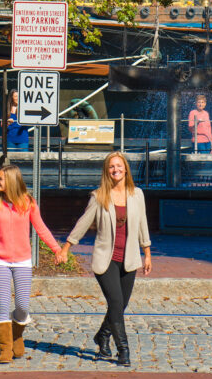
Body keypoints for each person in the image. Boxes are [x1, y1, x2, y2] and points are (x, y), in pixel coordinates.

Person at [57, 152, 152, 367]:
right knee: (116, 303)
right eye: (111, 167)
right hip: (106, 259)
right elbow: (83, 223)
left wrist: (147, 253)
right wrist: (66, 248)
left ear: (125, 169)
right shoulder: (99, 196)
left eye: (119, 166)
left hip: (129, 259)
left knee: (121, 305)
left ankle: (102, 335)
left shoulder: (137, 194)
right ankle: (124, 350)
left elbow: (142, 225)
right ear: (107, 171)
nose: (115, 169)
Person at [0, 164, 62, 363]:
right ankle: (5, 349)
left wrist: (57, 249)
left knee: (22, 306)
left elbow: (41, 228)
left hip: (23, 262)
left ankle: (17, 335)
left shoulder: (29, 203)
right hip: (1, 262)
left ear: (11, 181)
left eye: (0, 179)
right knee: (2, 304)